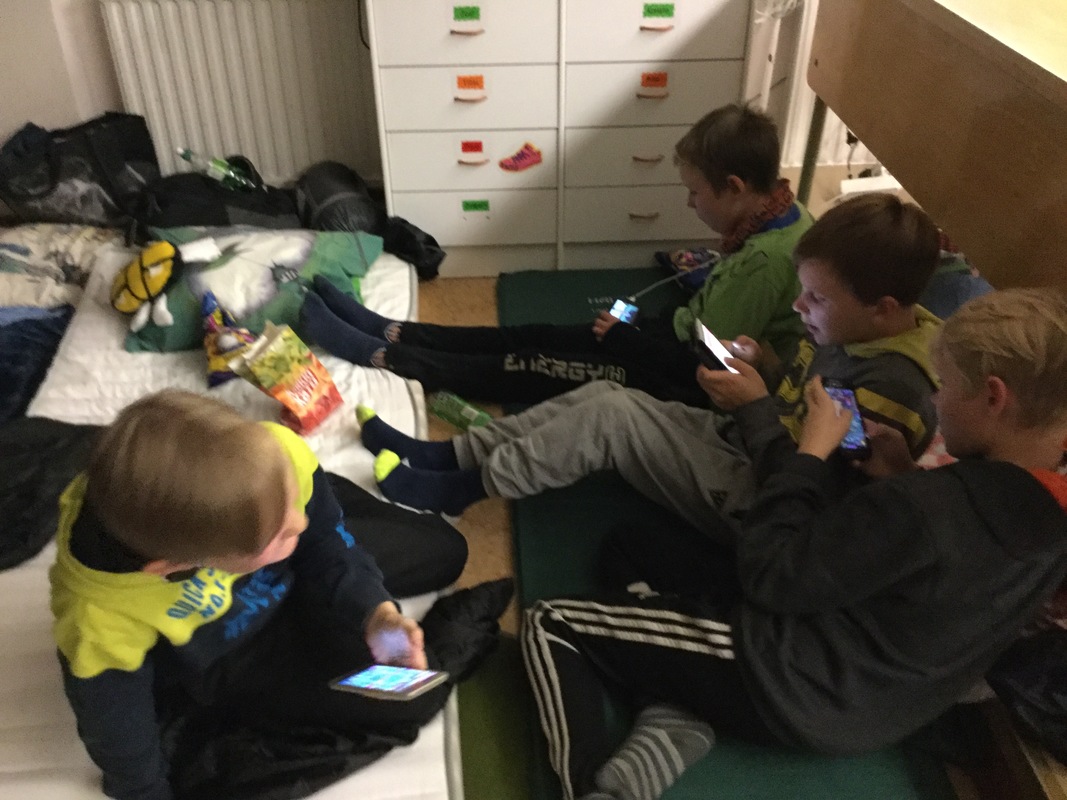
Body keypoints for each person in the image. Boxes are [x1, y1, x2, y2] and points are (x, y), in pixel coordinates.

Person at [522, 288, 1067, 800]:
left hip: (788, 678)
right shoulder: (1049, 514)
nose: (935, 398)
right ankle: (674, 710)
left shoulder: (930, 505)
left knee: (553, 623)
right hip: (885, 699)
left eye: (944, 385)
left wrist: (810, 454)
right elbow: (936, 566)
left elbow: (771, 575)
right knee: (633, 548)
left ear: (993, 396)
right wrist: (900, 477)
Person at [358, 194, 943, 543]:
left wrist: (755, 407)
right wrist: (765, 364)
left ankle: (462, 489)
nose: (798, 307)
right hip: (747, 442)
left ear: (882, 308)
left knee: (610, 419)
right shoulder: (854, 330)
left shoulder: (891, 391)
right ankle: (454, 456)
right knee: (603, 398)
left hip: (764, 503)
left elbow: (807, 498)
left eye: (816, 298)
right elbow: (802, 394)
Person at [49, 390, 466, 800]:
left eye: (290, 508)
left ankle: (279, 516)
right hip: (238, 653)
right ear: (174, 566)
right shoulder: (100, 618)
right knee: (411, 693)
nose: (299, 523)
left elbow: (323, 538)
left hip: (299, 573)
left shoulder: (277, 451)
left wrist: (377, 613)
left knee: (447, 552)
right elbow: (117, 723)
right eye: (278, 534)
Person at [299, 103, 812, 406]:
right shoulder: (781, 217)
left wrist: (628, 340)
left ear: (736, 187)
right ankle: (392, 330)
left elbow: (703, 366)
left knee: (531, 365)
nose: (689, 204)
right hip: (663, 337)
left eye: (696, 193)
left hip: (676, 379)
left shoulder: (765, 262)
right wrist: (633, 325)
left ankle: (384, 355)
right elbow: (706, 322)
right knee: (532, 335)